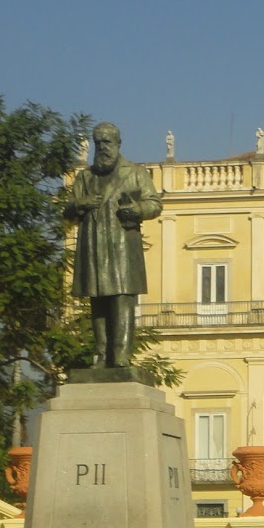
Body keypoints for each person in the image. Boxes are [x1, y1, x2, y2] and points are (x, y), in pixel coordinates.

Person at [64, 122, 162, 369]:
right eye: (98, 143)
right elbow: (68, 210)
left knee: (121, 298)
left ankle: (120, 354)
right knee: (97, 299)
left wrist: (137, 209)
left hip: (122, 245)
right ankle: (100, 353)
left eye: (107, 142)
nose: (102, 148)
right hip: (93, 244)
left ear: (118, 144)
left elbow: (155, 204)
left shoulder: (136, 173)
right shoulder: (85, 177)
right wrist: (80, 203)